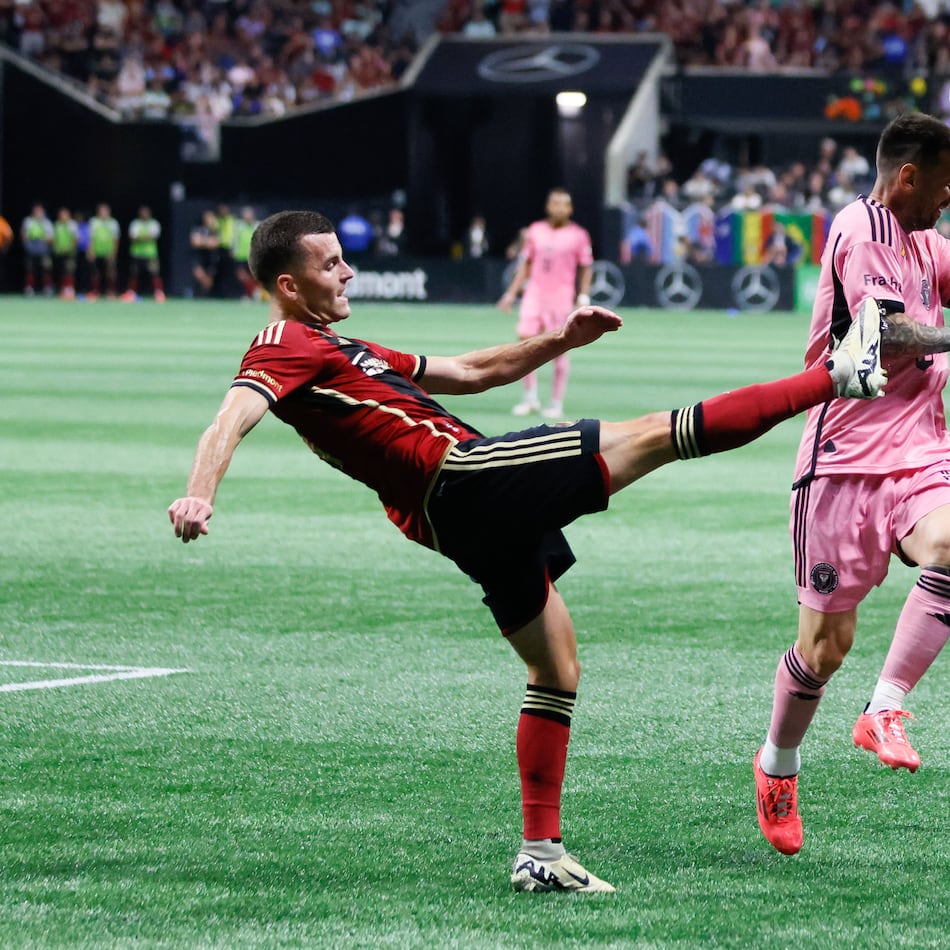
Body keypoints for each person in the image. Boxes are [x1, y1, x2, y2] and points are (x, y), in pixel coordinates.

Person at [168, 210, 886, 893]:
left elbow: (473, 371)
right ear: (288, 285)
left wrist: (559, 342)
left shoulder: (339, 348)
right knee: (657, 435)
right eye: (331, 263)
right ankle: (839, 374)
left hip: (454, 519)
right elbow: (230, 416)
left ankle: (541, 854)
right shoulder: (281, 341)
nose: (349, 272)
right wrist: (201, 492)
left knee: (556, 666)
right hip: (464, 478)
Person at [753, 112, 950, 858]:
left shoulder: (928, 242)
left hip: (921, 451)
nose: (948, 197)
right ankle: (778, 763)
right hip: (840, 461)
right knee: (825, 647)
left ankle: (887, 707)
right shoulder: (861, 226)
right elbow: (891, 331)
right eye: (944, 182)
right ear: (908, 176)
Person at [497, 188, 594, 420]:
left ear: (570, 209)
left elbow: (586, 267)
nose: (558, 208)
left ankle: (556, 403)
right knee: (525, 343)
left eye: (563, 204)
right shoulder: (535, 231)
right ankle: (530, 398)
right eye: (554, 203)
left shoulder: (579, 235)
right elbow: (527, 265)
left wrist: (583, 296)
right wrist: (511, 293)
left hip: (560, 296)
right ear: (548, 206)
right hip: (534, 294)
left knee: (559, 347)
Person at [121, 205, 166, 303]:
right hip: (136, 254)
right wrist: (146, 237)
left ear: (149, 214)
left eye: (146, 212)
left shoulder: (154, 223)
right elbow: (133, 237)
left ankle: (159, 293)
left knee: (154, 273)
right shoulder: (135, 223)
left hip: (151, 254)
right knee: (134, 274)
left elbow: (154, 237)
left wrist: (140, 238)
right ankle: (131, 293)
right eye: (142, 212)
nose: (144, 214)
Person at [86, 202, 120, 301]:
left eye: (106, 210)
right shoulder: (93, 221)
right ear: (98, 212)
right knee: (95, 273)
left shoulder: (113, 223)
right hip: (96, 251)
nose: (104, 212)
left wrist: (114, 252)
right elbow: (90, 237)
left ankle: (111, 291)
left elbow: (116, 239)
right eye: (102, 210)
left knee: (111, 273)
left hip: (108, 252)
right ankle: (95, 291)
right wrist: (90, 250)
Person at [20, 203, 54, 296]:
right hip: (31, 250)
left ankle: (47, 288)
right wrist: (27, 245)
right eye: (36, 211)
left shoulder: (47, 223)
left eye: (40, 211)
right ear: (33, 212)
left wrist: (42, 240)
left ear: (43, 212)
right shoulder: (28, 221)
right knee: (30, 269)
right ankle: (29, 288)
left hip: (44, 250)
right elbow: (24, 235)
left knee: (46, 269)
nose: (38, 213)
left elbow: (51, 238)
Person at [190, 209, 222, 297]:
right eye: (207, 217)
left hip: (211, 258)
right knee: (200, 275)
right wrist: (208, 242)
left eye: (211, 217)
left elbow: (215, 243)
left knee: (209, 282)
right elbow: (195, 243)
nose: (209, 219)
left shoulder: (215, 230)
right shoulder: (197, 228)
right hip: (199, 258)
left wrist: (202, 241)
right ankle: (198, 295)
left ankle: (204, 297)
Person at [51, 207, 79, 299]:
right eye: (61, 215)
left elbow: (76, 239)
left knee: (69, 271)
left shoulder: (73, 225)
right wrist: (55, 247)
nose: (63, 216)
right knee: (61, 272)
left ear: (68, 215)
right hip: (59, 253)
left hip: (70, 253)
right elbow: (53, 239)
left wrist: (69, 248)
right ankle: (63, 290)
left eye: (65, 214)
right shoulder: (57, 225)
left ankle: (70, 290)